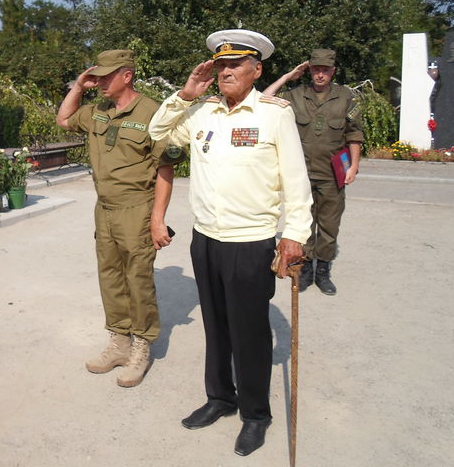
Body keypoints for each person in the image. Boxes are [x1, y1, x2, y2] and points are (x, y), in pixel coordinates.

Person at [148, 29, 312, 457]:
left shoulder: (275, 114)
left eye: (234, 65)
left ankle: (256, 414)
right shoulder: (202, 113)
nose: (225, 72)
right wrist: (184, 94)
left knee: (250, 332)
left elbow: (296, 181)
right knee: (216, 325)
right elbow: (157, 133)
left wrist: (295, 234)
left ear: (256, 70)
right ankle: (221, 397)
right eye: (220, 65)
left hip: (250, 241)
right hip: (206, 238)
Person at [57, 49, 182, 388]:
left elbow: (165, 169)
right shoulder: (98, 109)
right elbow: (64, 120)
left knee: (138, 278)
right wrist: (79, 87)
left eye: (106, 76)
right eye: (97, 75)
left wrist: (158, 220)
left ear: (127, 76)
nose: (100, 82)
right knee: (110, 276)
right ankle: (119, 342)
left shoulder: (151, 112)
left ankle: (141, 346)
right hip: (105, 209)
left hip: (136, 208)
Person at [263, 48, 363, 295]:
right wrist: (287, 76)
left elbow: (354, 134)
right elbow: (264, 100)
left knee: (329, 226)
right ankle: (306, 268)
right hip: (301, 175)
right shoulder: (295, 96)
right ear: (309, 71)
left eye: (325, 70)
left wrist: (354, 166)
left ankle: (323, 271)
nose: (320, 75)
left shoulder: (345, 98)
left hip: (332, 174)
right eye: (316, 70)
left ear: (333, 71)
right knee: (304, 225)